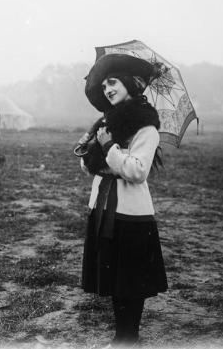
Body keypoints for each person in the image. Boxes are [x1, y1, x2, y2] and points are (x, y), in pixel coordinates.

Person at [77, 54, 168, 346]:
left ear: (130, 83)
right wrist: (87, 148)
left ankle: (129, 337)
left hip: (131, 212)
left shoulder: (146, 128)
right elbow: (92, 166)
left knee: (131, 280)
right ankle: (121, 337)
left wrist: (109, 148)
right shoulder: (106, 122)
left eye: (112, 82)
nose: (107, 89)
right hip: (103, 206)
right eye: (103, 85)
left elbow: (138, 170)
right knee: (115, 276)